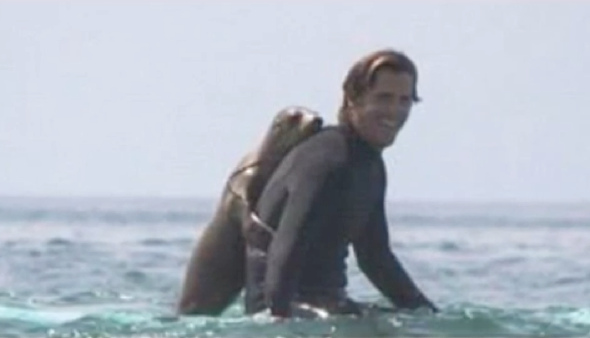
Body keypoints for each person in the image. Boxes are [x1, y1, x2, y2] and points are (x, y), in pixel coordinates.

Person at [242, 48, 438, 318]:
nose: (394, 110)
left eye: (404, 101)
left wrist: (427, 314)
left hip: (326, 305)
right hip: (282, 307)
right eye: (383, 98)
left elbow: (375, 257)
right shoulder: (328, 160)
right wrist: (280, 321)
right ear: (352, 99)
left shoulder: (368, 165)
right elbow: (286, 246)